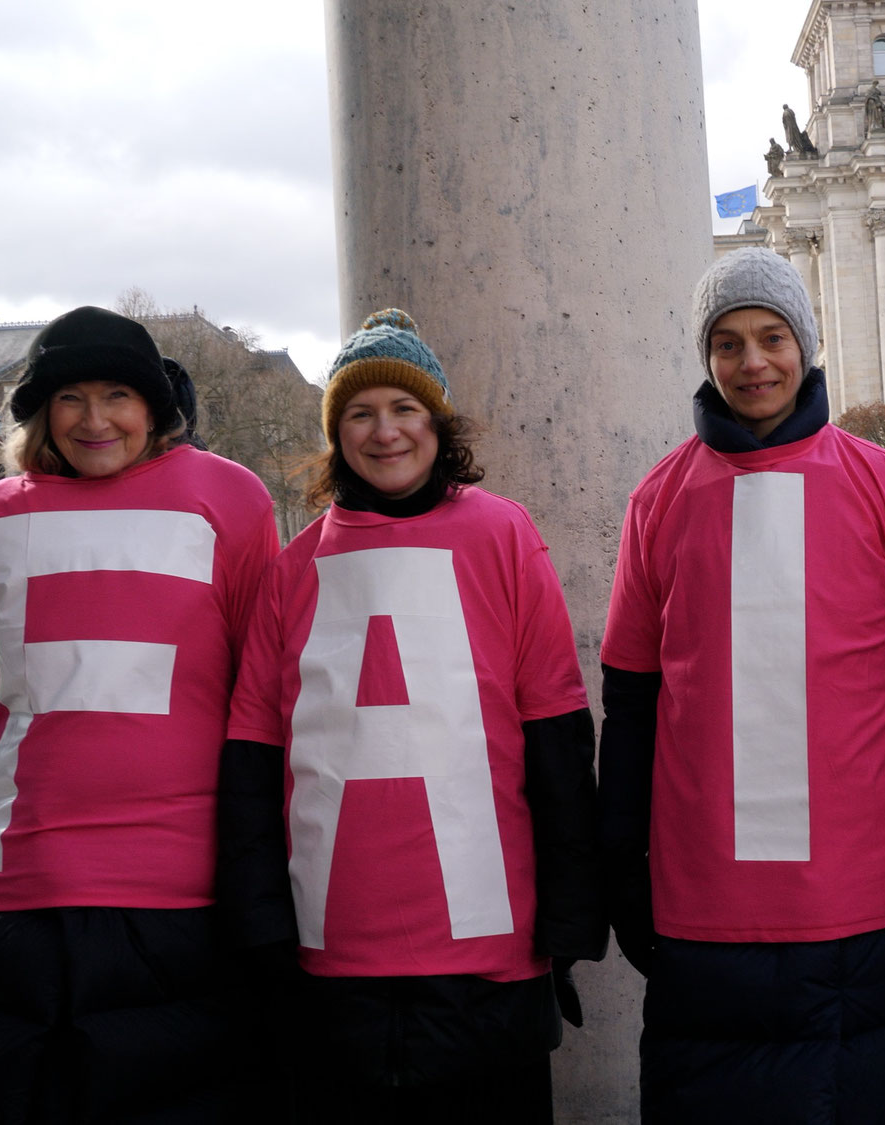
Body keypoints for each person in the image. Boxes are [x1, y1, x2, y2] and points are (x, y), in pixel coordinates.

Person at [599, 248, 885, 1124]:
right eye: (728, 343)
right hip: (705, 903)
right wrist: (620, 859)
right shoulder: (657, 500)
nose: (752, 363)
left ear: (806, 344)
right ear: (706, 359)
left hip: (862, 895)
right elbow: (630, 701)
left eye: (772, 337)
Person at [218, 309, 604, 1122]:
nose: (384, 430)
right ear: (336, 435)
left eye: (404, 408)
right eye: (359, 412)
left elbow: (558, 734)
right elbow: (253, 758)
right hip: (335, 957)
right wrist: (259, 924)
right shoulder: (296, 569)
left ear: (438, 422)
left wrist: (570, 913)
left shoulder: (503, 534)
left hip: (486, 959)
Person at [0, 305, 280, 1122]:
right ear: (42, 413)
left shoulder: (232, 499)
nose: (95, 418)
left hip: (183, 899)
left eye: (118, 393)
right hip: (18, 896)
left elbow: (263, 707)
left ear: (154, 406)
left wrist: (262, 882)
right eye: (70, 397)